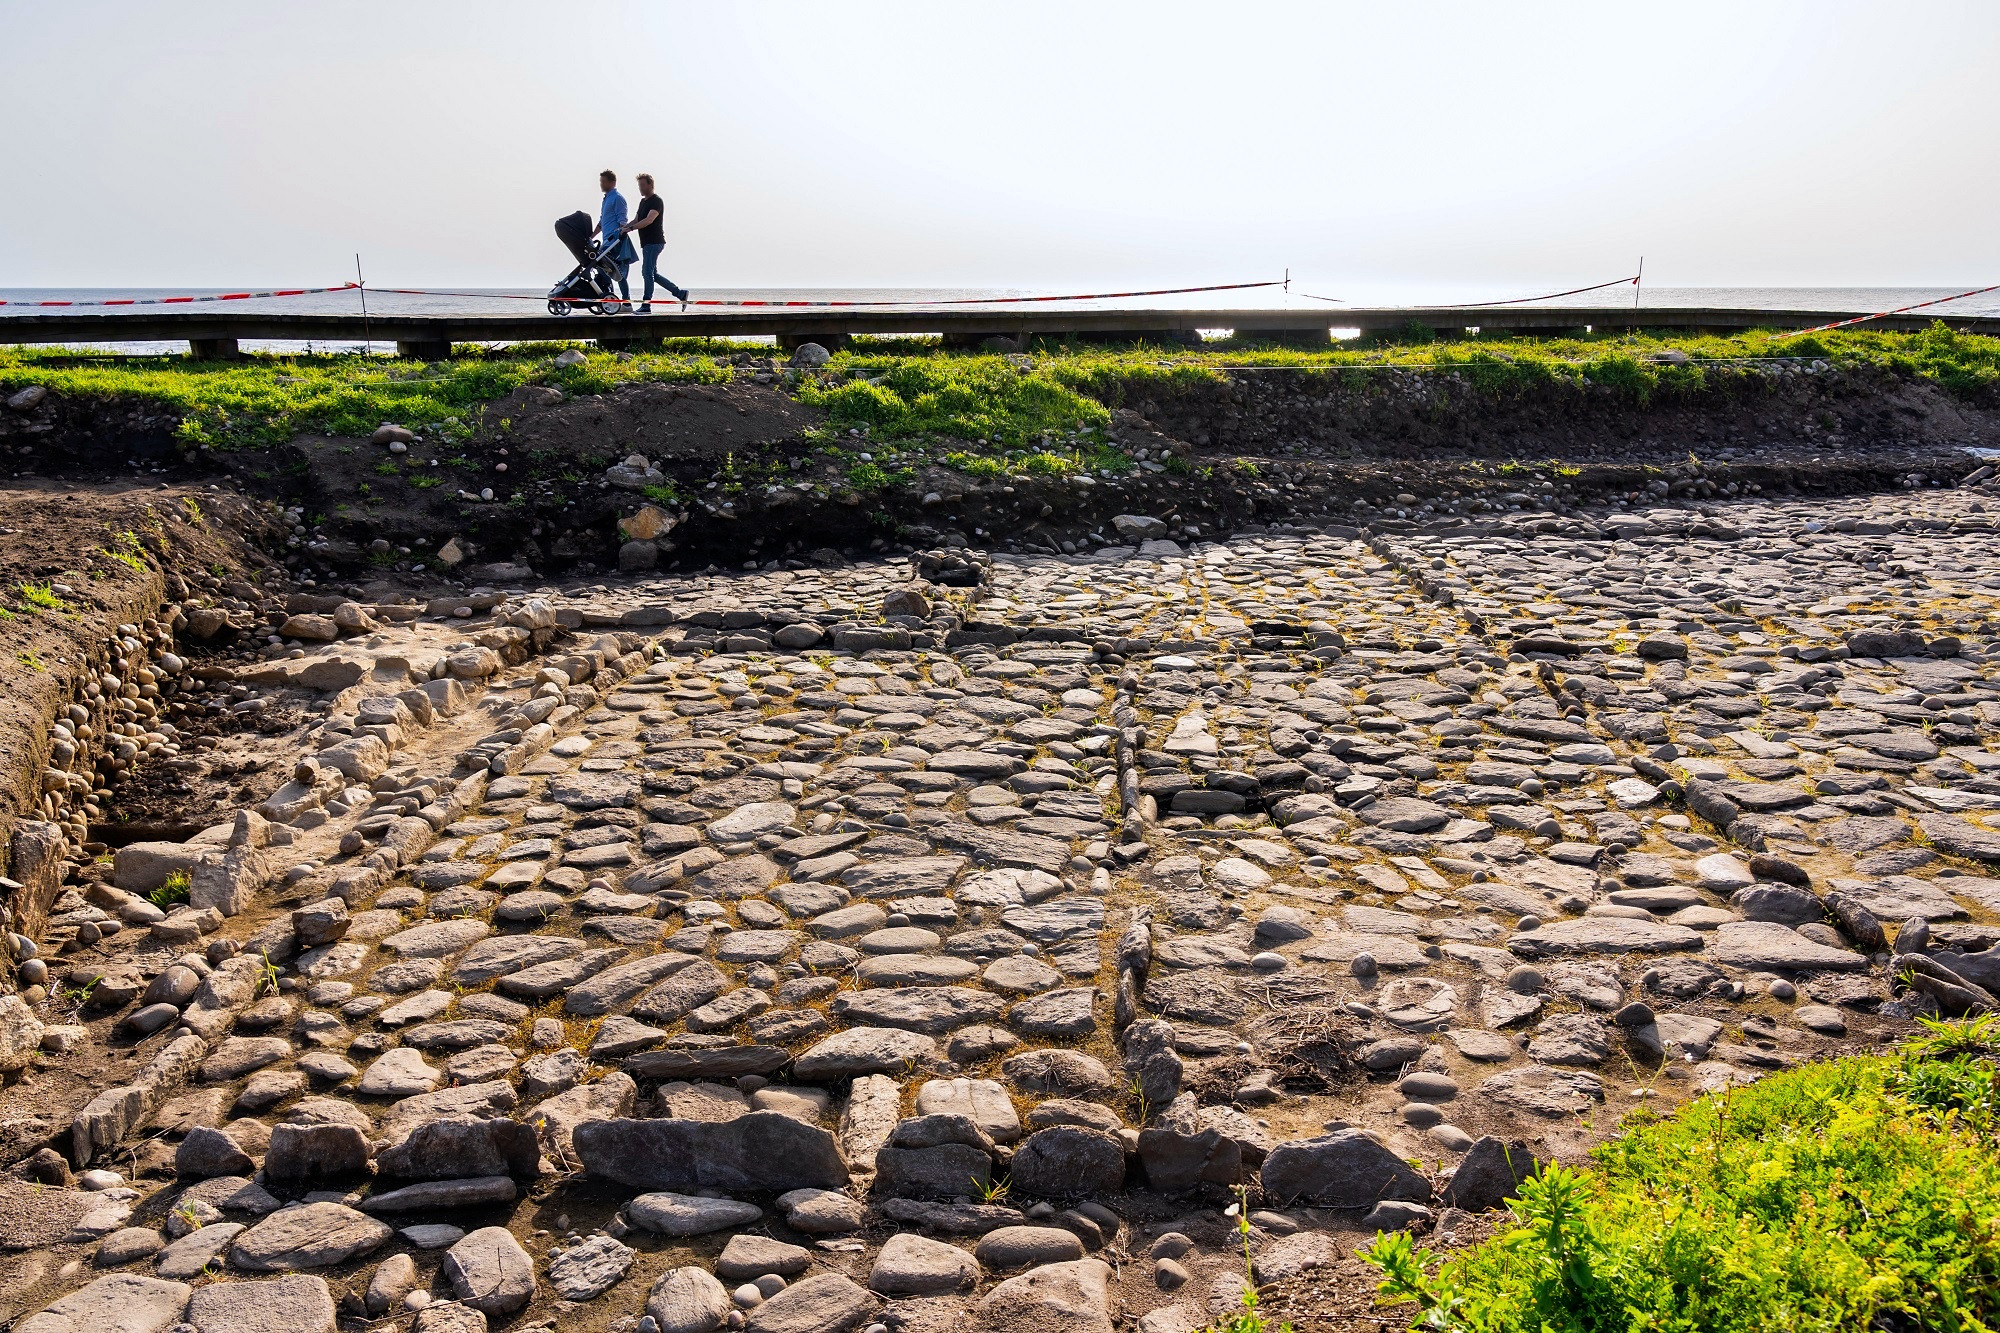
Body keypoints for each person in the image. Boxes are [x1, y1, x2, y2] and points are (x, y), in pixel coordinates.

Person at [622, 172, 688, 313]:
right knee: (653, 274)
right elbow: (637, 219)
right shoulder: (643, 202)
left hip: (654, 242)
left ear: (650, 185)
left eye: (642, 185)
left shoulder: (656, 201)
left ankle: (646, 305)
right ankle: (680, 293)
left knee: (647, 273)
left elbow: (649, 220)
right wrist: (623, 228)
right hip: (646, 243)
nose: (640, 188)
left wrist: (631, 229)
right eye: (639, 185)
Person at [591, 169, 638, 305]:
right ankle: (606, 297)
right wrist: (591, 236)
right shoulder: (606, 199)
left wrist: (621, 234)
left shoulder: (617, 198)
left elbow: (622, 221)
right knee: (602, 269)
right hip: (606, 241)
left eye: (603, 182)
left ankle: (626, 302)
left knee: (618, 272)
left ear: (612, 182)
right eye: (600, 181)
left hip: (614, 241)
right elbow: (601, 222)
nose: (601, 184)